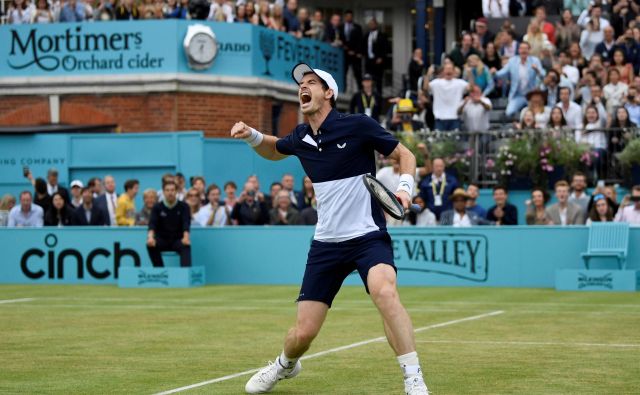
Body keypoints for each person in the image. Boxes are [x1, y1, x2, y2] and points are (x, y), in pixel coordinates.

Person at [230, 63, 428, 395]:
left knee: (384, 291)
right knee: (302, 335)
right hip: (326, 245)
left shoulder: (358, 125)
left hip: (367, 237)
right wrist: (252, 136)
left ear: (329, 93)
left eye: (311, 83)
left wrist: (405, 190)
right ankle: (284, 365)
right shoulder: (300, 136)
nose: (303, 88)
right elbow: (274, 149)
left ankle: (414, 378)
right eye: (300, 85)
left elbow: (404, 155)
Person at [495, 41, 546, 118]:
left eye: (526, 49)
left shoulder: (535, 60)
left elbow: (543, 76)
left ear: (529, 50)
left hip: (531, 95)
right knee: (509, 112)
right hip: (517, 95)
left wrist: (537, 70)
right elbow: (502, 73)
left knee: (537, 115)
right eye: (521, 48)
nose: (523, 51)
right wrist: (494, 73)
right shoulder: (512, 61)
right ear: (518, 50)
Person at [147, 180, 191, 267]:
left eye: (172, 190)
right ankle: (160, 271)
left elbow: (186, 223)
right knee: (151, 245)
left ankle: (186, 275)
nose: (170, 193)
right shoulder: (157, 207)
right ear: (163, 192)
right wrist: (150, 238)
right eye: (167, 190)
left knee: (186, 246)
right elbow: (152, 224)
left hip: (178, 240)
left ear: (176, 191)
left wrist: (186, 238)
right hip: (162, 240)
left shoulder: (184, 206)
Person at [423, 63, 469, 131]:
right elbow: (425, 88)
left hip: (454, 118)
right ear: (443, 71)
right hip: (440, 118)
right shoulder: (437, 82)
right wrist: (428, 74)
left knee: (455, 140)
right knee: (440, 141)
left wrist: (470, 73)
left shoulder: (460, 83)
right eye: (447, 69)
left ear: (453, 71)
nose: (448, 71)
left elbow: (471, 88)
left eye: (450, 69)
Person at [364, 18, 388, 94]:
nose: (371, 25)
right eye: (370, 24)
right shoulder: (366, 35)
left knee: (378, 80)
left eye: (373, 24)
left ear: (376, 25)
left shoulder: (382, 35)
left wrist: (381, 57)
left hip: (378, 61)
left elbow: (386, 47)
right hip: (369, 61)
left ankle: (379, 96)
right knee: (368, 79)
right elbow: (363, 46)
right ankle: (369, 95)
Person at [342, 10, 363, 90]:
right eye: (347, 16)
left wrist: (355, 51)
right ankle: (343, 90)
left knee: (358, 74)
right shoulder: (341, 27)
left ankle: (360, 91)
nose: (349, 18)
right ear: (345, 17)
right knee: (343, 74)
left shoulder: (357, 27)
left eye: (350, 16)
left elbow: (360, 41)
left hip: (355, 55)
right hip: (344, 55)